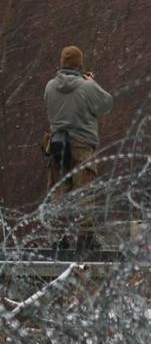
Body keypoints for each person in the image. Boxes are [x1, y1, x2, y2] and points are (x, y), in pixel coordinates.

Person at [44, 45, 112, 250]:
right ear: (79, 63)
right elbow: (106, 104)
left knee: (59, 192)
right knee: (84, 193)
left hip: (56, 144)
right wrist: (90, 82)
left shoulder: (49, 86)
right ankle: (86, 238)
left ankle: (57, 238)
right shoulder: (86, 86)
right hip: (82, 145)